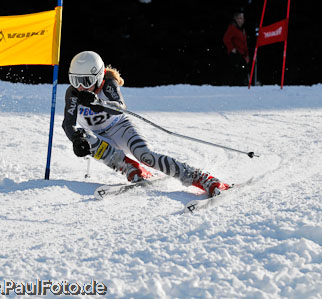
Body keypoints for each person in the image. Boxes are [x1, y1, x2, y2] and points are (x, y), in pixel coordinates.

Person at [62, 51, 230, 197]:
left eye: (85, 80)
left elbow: (120, 108)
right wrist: (76, 140)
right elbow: (68, 124)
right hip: (99, 137)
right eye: (75, 80)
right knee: (84, 137)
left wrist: (99, 102)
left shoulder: (108, 85)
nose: (80, 86)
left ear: (98, 77)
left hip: (120, 128)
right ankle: (130, 168)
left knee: (147, 156)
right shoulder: (73, 93)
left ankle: (204, 179)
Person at [223, 11, 250, 86]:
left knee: (243, 72)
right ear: (236, 19)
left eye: (243, 18)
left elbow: (245, 44)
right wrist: (232, 48)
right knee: (236, 72)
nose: (242, 20)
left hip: (242, 55)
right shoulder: (232, 28)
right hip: (235, 55)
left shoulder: (242, 30)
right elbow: (226, 39)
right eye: (240, 18)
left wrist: (247, 55)